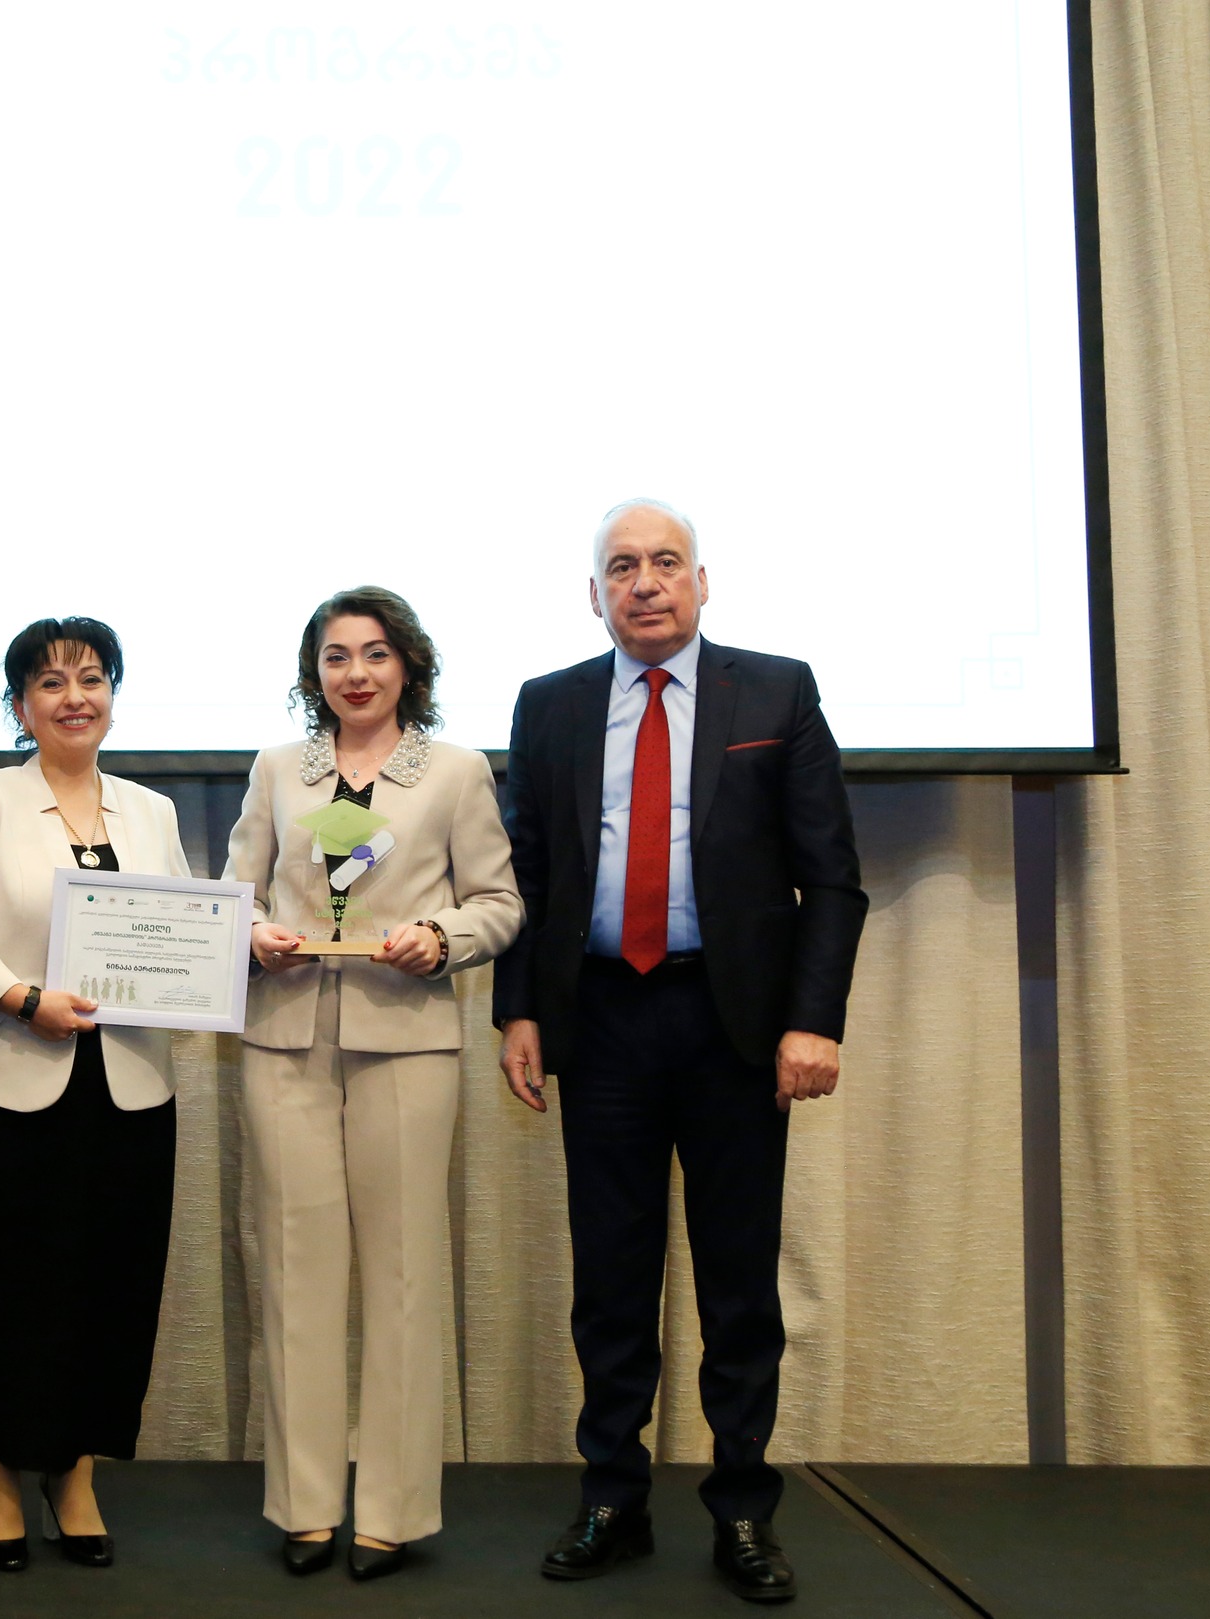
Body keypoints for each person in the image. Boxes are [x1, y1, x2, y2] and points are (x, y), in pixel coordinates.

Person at [495, 500, 866, 1605]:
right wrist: (520, 1009)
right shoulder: (551, 704)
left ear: (702, 582)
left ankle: (743, 1508)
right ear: (594, 594)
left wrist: (813, 1020)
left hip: (732, 1026)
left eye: (665, 563)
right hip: (602, 1018)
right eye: (622, 566)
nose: (645, 582)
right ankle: (612, 1496)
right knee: (610, 1282)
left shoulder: (775, 692)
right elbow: (526, 872)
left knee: (738, 1284)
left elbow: (830, 878)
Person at [225, 586, 523, 1581]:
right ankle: (306, 1506)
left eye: (375, 654)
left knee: (401, 1276)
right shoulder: (277, 768)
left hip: (405, 1041)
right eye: (336, 656)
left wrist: (441, 935)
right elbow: (232, 895)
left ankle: (391, 1511)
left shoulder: (454, 771)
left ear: (409, 666)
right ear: (313, 673)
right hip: (284, 1039)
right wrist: (251, 935)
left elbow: (499, 902)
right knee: (296, 1274)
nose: (355, 673)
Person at [0, 618, 189, 1575]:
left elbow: (184, 930)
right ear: (20, 705)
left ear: (114, 693)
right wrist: (25, 999)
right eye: (51, 682)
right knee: (0, 1285)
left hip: (129, 1087)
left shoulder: (152, 810)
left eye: (93, 678)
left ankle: (76, 1471)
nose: (76, 697)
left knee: (112, 1284)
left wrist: (242, 948)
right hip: (1, 1080)